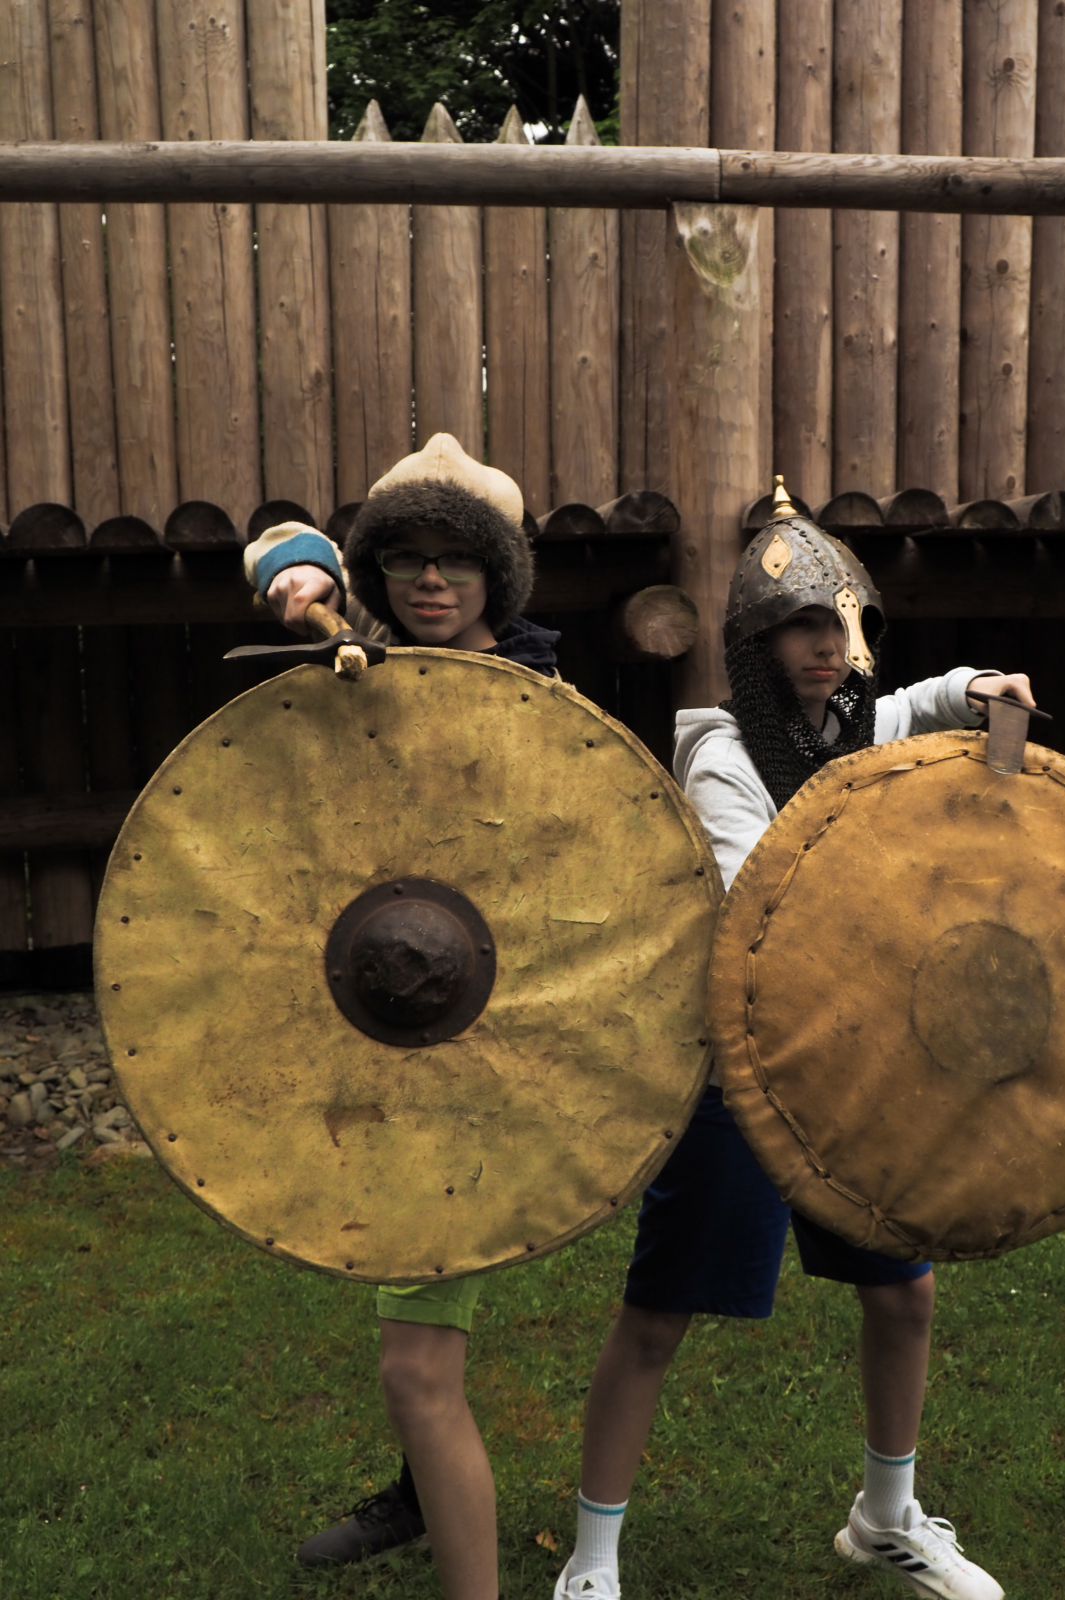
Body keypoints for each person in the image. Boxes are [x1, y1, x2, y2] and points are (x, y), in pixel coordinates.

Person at [554, 490, 1031, 1600]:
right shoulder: (722, 756)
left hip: (856, 1072)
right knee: (658, 1314)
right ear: (756, 640)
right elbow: (772, 907)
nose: (829, 646)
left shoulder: (857, 723)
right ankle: (591, 1560)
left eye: (845, 623)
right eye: (805, 624)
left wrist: (982, 689)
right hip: (745, 1073)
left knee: (903, 1295)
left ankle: (885, 1517)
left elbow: (923, 699)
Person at [244, 432, 558, 1599]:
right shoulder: (358, 661)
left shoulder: (542, 706)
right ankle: (421, 1492)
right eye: (406, 557)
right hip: (376, 1023)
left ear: (497, 577)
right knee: (410, 1327)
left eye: (457, 560)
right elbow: (275, 538)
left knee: (418, 1367)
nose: (431, 579)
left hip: (482, 1049)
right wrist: (299, 576)